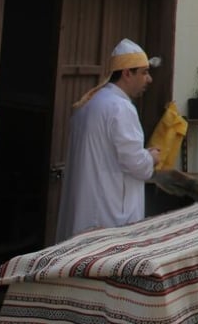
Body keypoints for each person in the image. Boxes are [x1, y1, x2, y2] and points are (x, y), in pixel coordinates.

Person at [54, 38, 160, 243]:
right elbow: (136, 164)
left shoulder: (91, 103)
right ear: (127, 73)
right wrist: (151, 158)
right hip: (107, 214)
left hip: (87, 208)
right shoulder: (121, 108)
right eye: (144, 72)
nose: (149, 79)